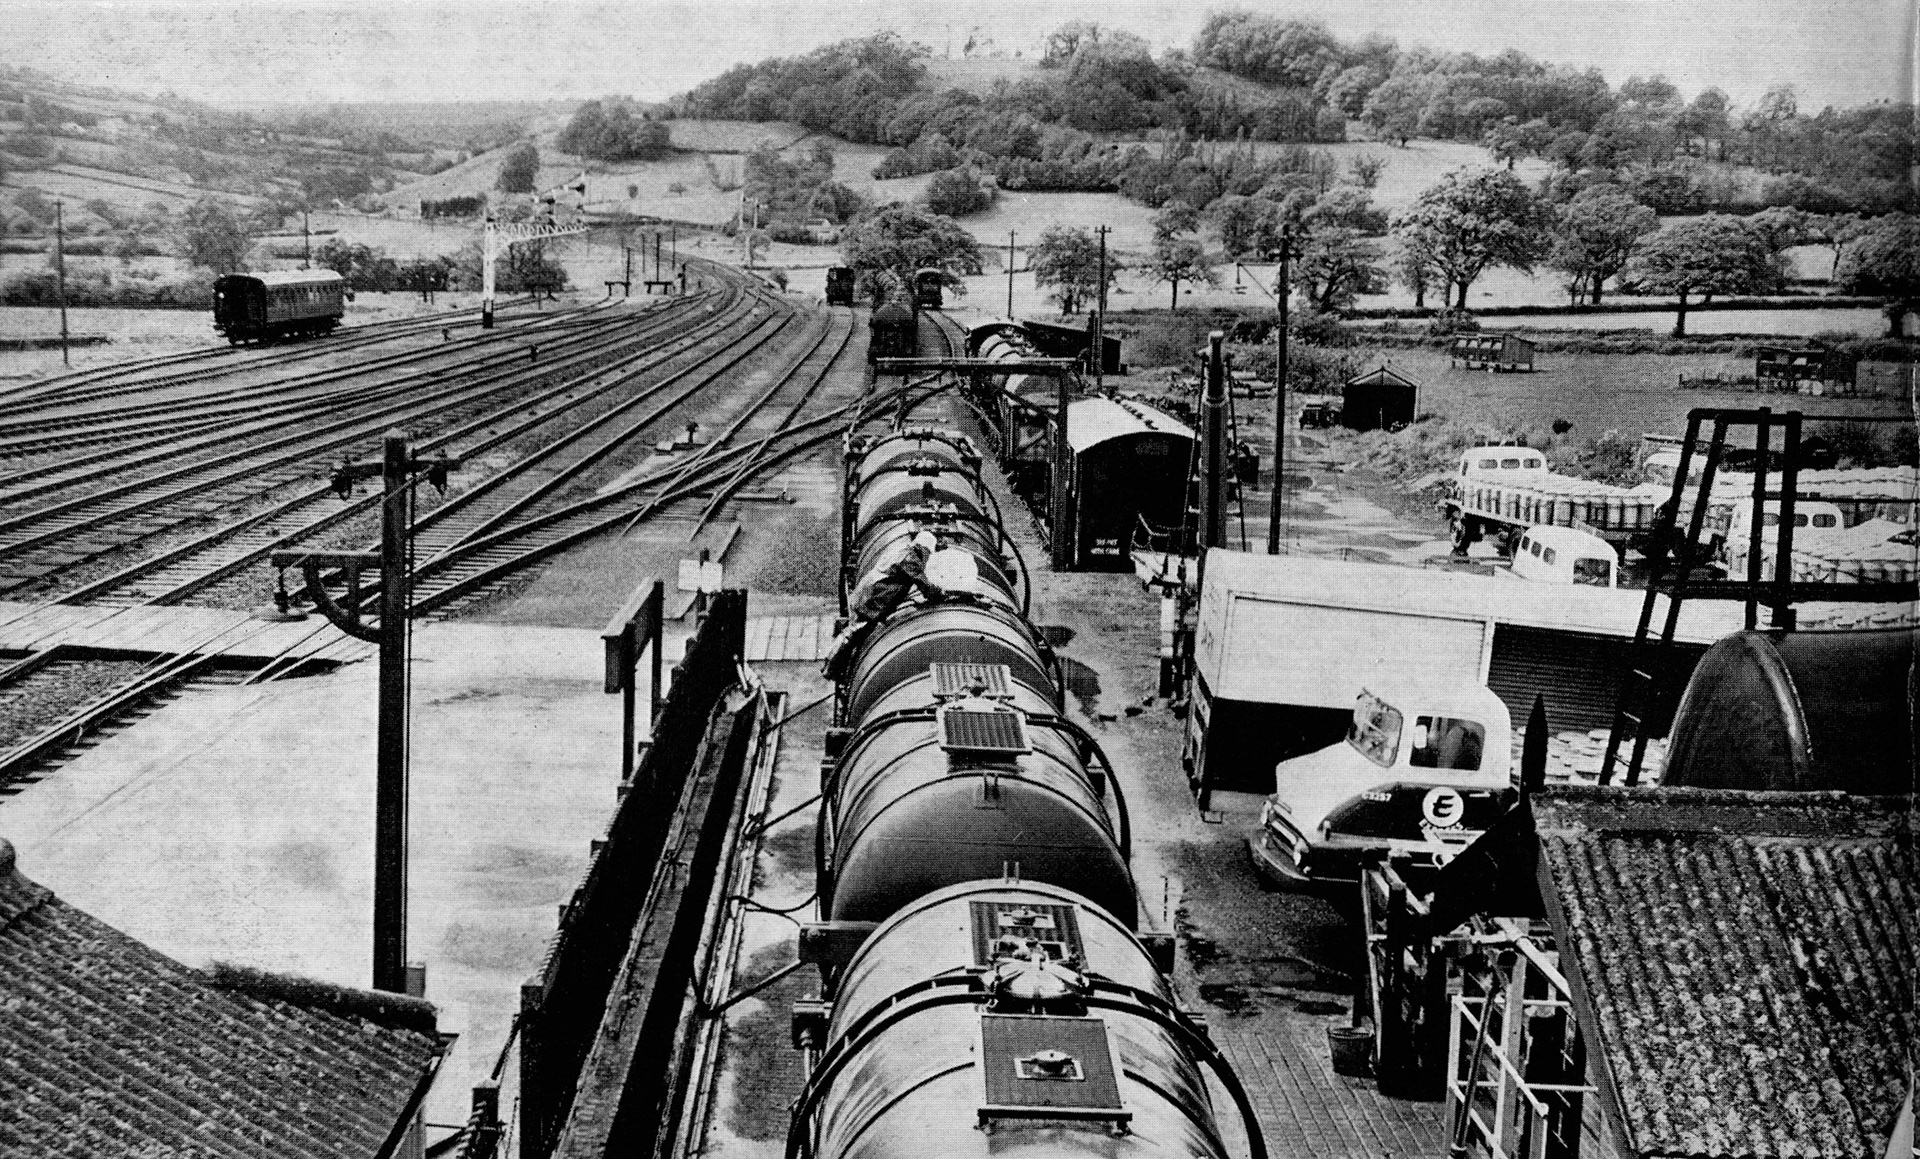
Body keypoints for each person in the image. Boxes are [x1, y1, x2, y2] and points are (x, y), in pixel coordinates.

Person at [822, 531, 946, 680]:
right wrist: (942, 594)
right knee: (855, 632)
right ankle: (831, 669)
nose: (928, 556)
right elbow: (926, 587)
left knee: (855, 632)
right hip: (873, 599)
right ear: (924, 548)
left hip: (870, 592)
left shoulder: (903, 550)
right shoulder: (911, 560)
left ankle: (833, 667)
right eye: (928, 552)